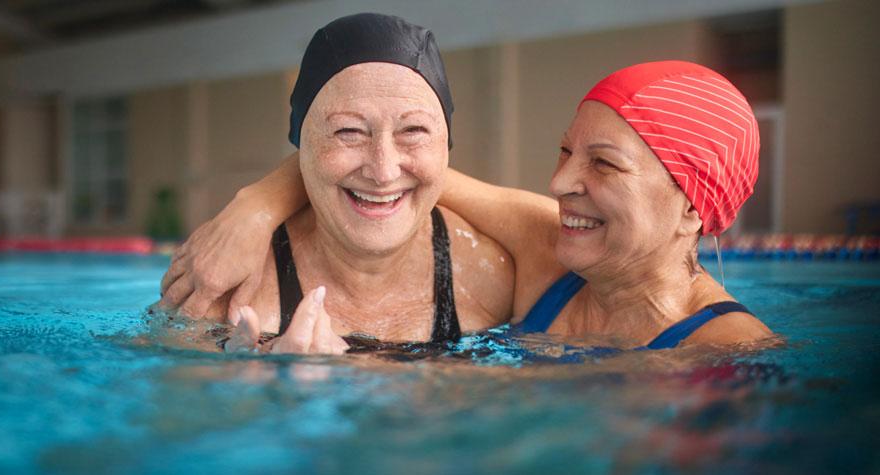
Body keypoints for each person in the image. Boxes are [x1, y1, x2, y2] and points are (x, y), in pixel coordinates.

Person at [163, 60, 773, 350]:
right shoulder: (548, 250)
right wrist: (254, 206)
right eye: (566, 151)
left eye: (603, 163)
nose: (560, 183)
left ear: (694, 207)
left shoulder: (729, 352)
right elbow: (406, 174)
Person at [161, 13, 516, 354]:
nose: (383, 171)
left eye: (413, 131)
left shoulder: (493, 280)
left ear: (445, 145)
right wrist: (260, 388)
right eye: (348, 131)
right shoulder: (229, 287)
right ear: (302, 148)